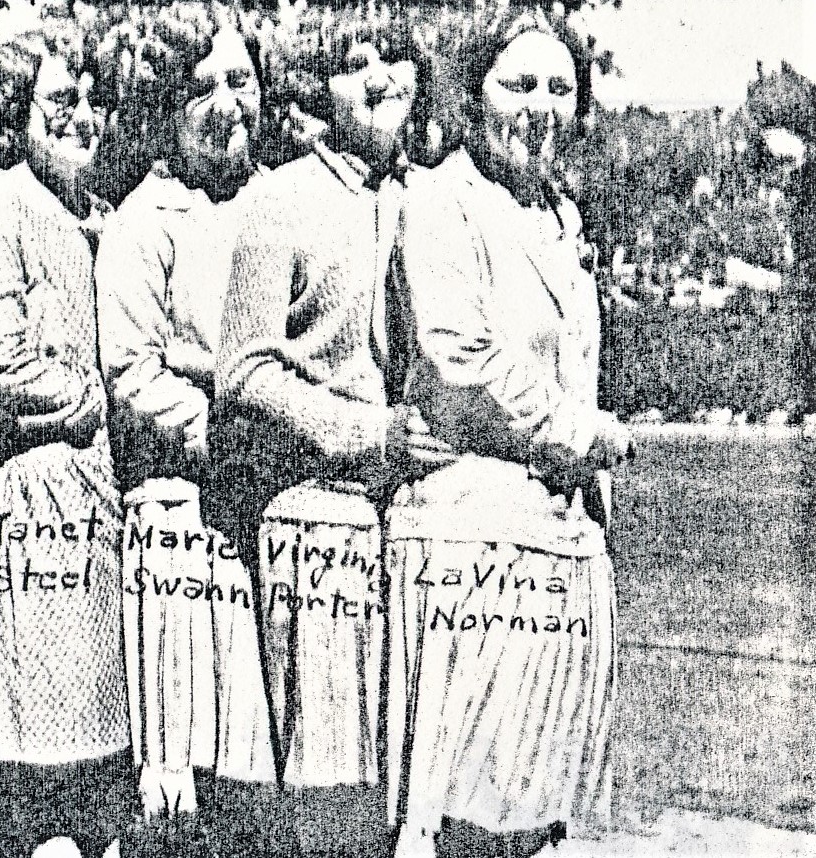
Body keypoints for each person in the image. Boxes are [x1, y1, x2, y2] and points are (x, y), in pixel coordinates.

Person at [386, 7, 634, 857]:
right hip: (471, 544)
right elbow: (456, 355)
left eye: (559, 88)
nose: (540, 107)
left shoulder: (561, 222)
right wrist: (576, 429)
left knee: (540, 826)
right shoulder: (442, 198)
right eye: (517, 84)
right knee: (460, 821)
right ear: (469, 94)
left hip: (563, 548)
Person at [211, 6, 448, 858]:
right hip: (319, 520)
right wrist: (360, 432)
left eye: (394, 58)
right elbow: (243, 371)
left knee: (417, 798)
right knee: (330, 800)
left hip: (421, 533)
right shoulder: (280, 198)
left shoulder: (435, 200)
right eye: (355, 62)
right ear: (319, 85)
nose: (379, 77)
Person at [94, 3, 278, 855]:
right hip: (179, 517)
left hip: (269, 515)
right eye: (200, 88)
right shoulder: (146, 220)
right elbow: (134, 371)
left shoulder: (280, 207)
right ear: (170, 108)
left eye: (238, 81)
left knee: (260, 766)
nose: (224, 104)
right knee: (177, 784)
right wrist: (220, 423)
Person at [0, 13, 134, 858]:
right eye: (61, 96)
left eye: (93, 96)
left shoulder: (86, 216)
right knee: (42, 774)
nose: (81, 113)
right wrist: (94, 397)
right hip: (32, 506)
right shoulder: (1, 205)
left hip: (91, 505)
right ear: (18, 108)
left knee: (97, 772)